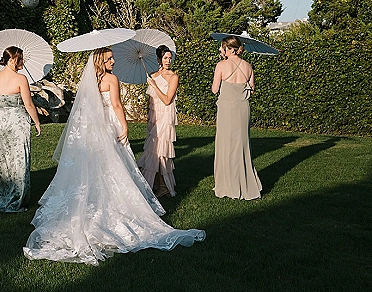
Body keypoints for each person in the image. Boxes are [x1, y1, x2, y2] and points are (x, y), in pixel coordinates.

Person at [23, 46, 205, 265]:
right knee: (113, 167)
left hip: (91, 130)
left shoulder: (89, 80)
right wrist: (124, 126)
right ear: (101, 60)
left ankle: (92, 206)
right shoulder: (111, 79)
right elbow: (117, 105)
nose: (113, 62)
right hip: (109, 126)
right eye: (109, 59)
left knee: (94, 169)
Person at [0, 46, 41, 213]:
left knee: (3, 159)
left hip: (0, 121)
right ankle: (17, 196)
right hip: (17, 121)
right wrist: (37, 122)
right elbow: (29, 104)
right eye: (20, 59)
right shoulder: (21, 79)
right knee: (19, 158)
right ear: (11, 60)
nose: (22, 62)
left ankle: (1, 192)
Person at [212, 35, 262, 200]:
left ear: (228, 48)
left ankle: (227, 186)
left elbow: (214, 89)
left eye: (222, 47)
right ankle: (243, 183)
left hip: (227, 108)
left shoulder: (221, 65)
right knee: (241, 145)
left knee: (226, 145)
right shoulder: (248, 66)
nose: (220, 50)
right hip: (242, 108)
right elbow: (252, 91)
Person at [138, 44, 179, 197]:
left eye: (170, 58)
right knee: (153, 151)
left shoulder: (173, 77)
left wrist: (154, 86)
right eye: (165, 58)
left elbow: (167, 100)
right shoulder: (153, 76)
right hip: (155, 118)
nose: (168, 61)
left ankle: (164, 186)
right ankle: (154, 183)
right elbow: (152, 102)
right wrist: (149, 118)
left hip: (166, 118)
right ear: (159, 59)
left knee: (162, 151)